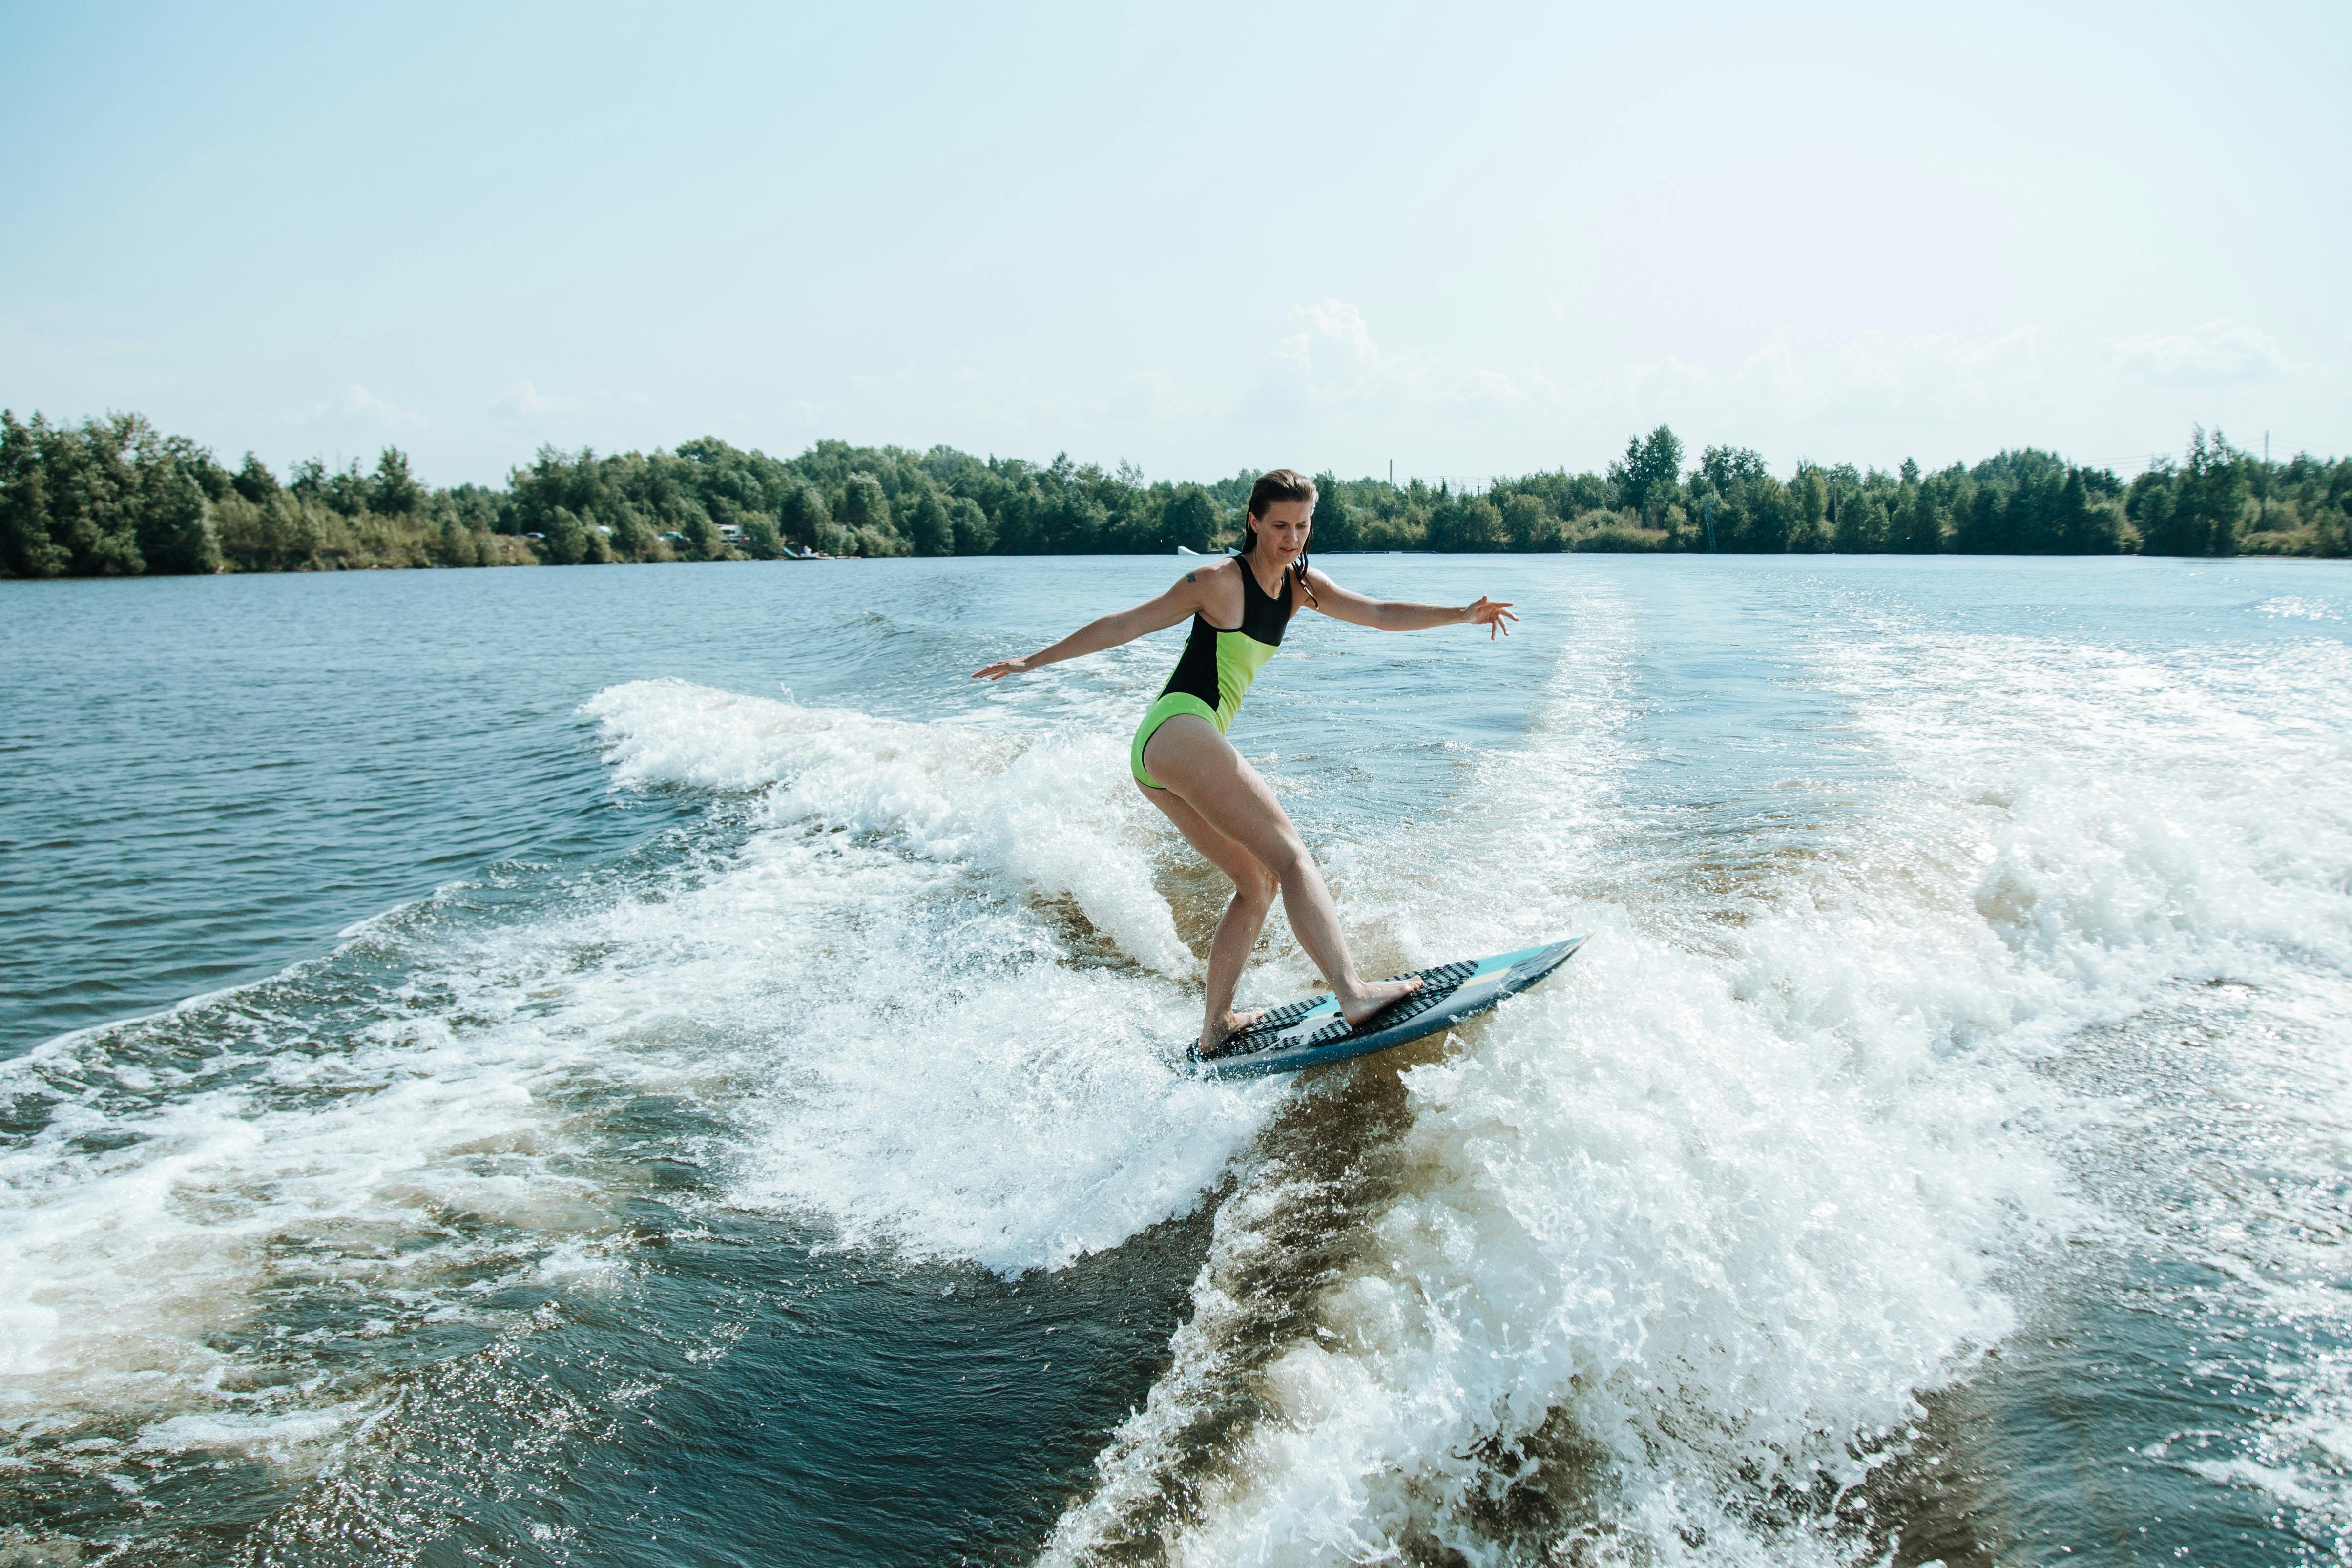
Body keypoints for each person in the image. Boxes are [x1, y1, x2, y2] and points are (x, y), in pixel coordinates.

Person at [973, 469, 1516, 1055]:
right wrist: (1032, 662)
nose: (1291, 538)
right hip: (1178, 725)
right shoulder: (1215, 581)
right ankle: (1352, 991)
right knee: (1291, 857)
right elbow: (1124, 625)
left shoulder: (1302, 588)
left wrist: (1460, 614)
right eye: (1279, 525)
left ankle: (1215, 1027)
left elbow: (1380, 613)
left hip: (1164, 756)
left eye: (1302, 526)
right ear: (1253, 520)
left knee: (1256, 881)